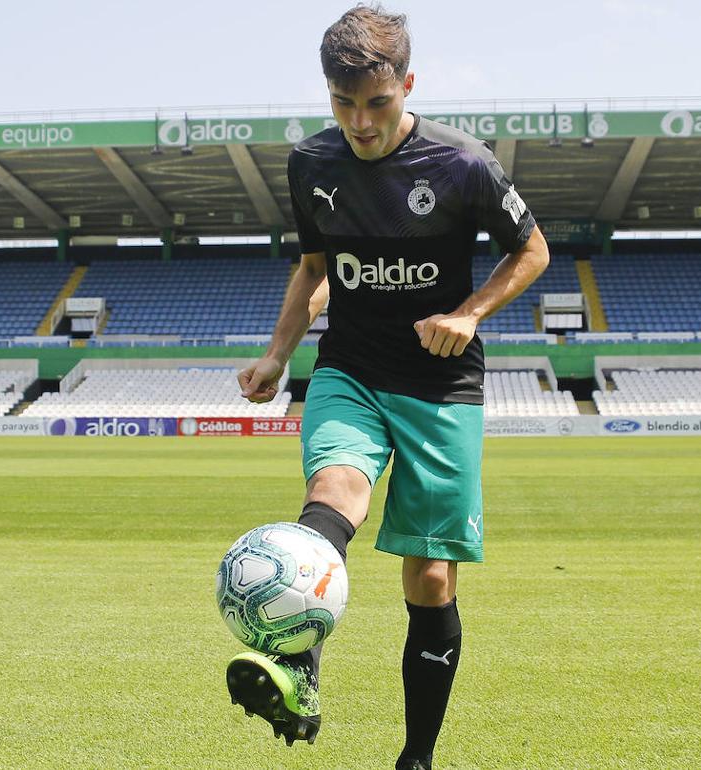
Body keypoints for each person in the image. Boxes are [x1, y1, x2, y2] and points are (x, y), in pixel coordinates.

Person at [225, 5, 550, 769]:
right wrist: (278, 354)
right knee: (334, 490)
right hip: (352, 368)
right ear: (327, 94)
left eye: (377, 103)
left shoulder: (463, 164)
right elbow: (314, 269)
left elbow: (531, 251)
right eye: (343, 104)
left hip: (441, 385)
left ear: (408, 84)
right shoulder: (311, 163)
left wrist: (469, 314)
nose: (361, 123)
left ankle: (417, 759)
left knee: (430, 577)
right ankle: (298, 670)